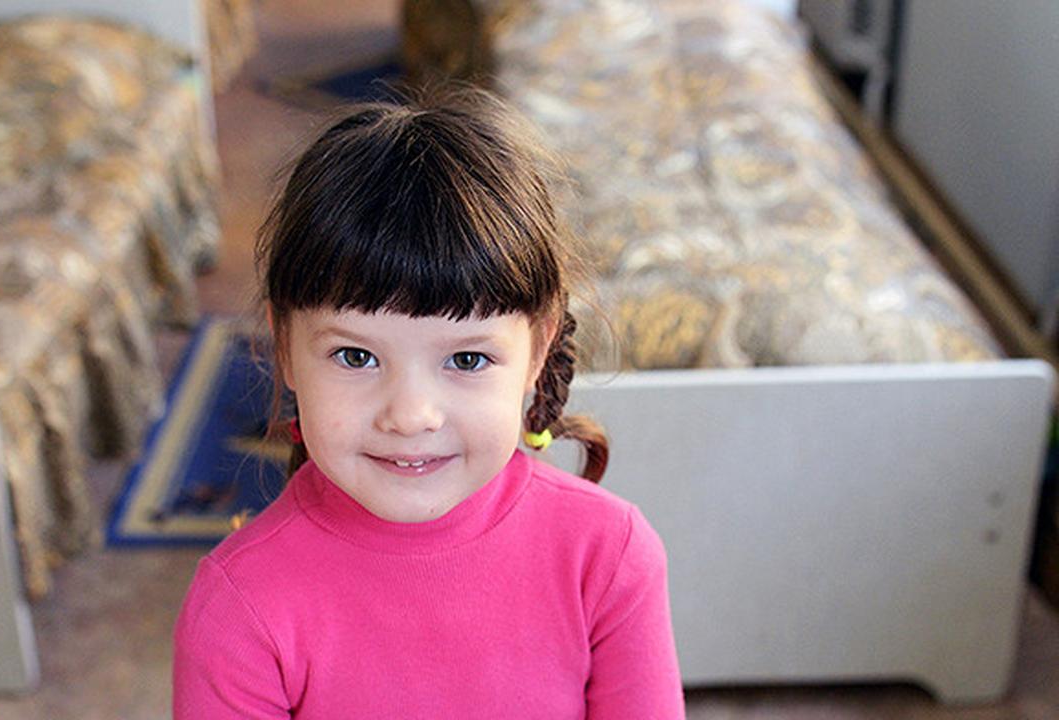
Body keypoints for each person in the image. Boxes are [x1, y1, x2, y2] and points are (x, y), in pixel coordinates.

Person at [173, 87, 684, 719]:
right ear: (285, 348)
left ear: (538, 349)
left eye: (466, 360)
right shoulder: (237, 606)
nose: (411, 415)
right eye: (355, 356)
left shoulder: (608, 556)